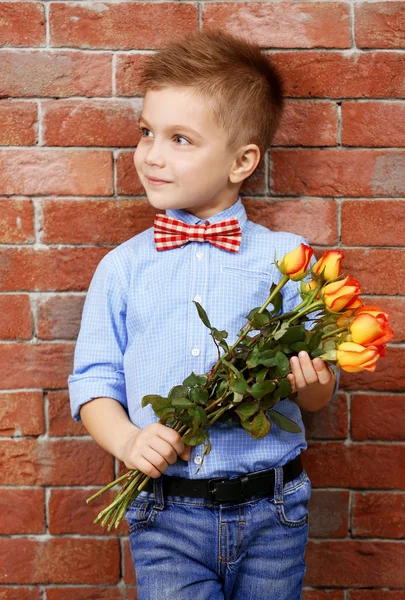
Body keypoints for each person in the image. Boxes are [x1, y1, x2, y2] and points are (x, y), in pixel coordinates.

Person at [68, 28, 338, 600]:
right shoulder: (122, 268)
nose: (151, 155)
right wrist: (126, 440)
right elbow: (93, 380)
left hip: (274, 509)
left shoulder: (286, 261)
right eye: (146, 132)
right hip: (166, 512)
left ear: (243, 160)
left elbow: (317, 391)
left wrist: (313, 384)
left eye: (181, 139)